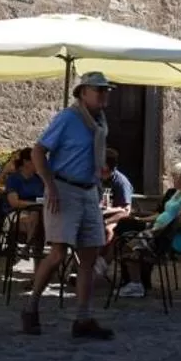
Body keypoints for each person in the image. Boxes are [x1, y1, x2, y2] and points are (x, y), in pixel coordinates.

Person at [24, 73, 113, 339]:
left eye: (105, 90)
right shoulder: (68, 118)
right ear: (82, 92)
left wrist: (99, 175)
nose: (103, 94)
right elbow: (38, 151)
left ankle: (83, 319)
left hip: (88, 191)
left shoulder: (99, 123)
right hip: (64, 189)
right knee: (58, 254)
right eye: (98, 90)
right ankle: (31, 308)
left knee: (89, 257)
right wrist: (49, 185)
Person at [122, 160, 181, 298]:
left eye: (175, 175)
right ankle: (136, 282)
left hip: (168, 238)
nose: (173, 178)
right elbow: (164, 213)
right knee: (127, 238)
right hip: (158, 231)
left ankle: (136, 285)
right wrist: (141, 220)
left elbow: (179, 224)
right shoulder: (178, 193)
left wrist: (154, 231)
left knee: (130, 246)